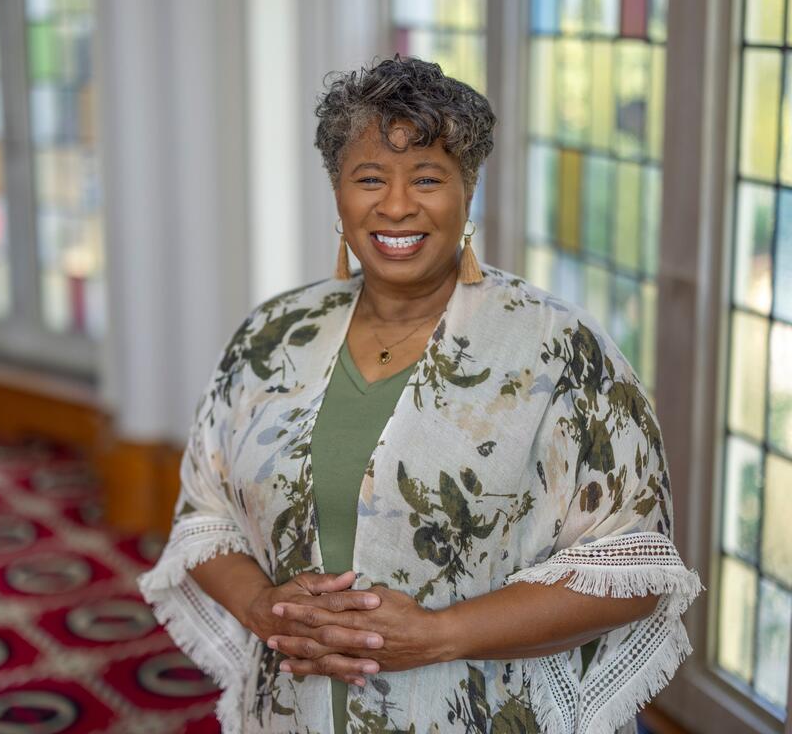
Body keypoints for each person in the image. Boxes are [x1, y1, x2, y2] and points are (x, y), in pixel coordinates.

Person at [138, 55, 701, 734]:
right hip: (301, 709)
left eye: (428, 179)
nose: (397, 205)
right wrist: (263, 608)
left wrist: (439, 635)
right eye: (369, 178)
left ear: (468, 192)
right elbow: (207, 514)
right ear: (339, 193)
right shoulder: (272, 335)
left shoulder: (560, 350)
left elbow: (631, 568)